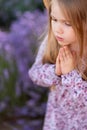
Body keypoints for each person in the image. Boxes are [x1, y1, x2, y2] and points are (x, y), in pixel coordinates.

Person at [29, 0, 87, 129]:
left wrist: (71, 75)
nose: (58, 30)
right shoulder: (52, 42)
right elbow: (34, 74)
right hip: (56, 122)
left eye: (67, 23)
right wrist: (56, 71)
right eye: (54, 19)